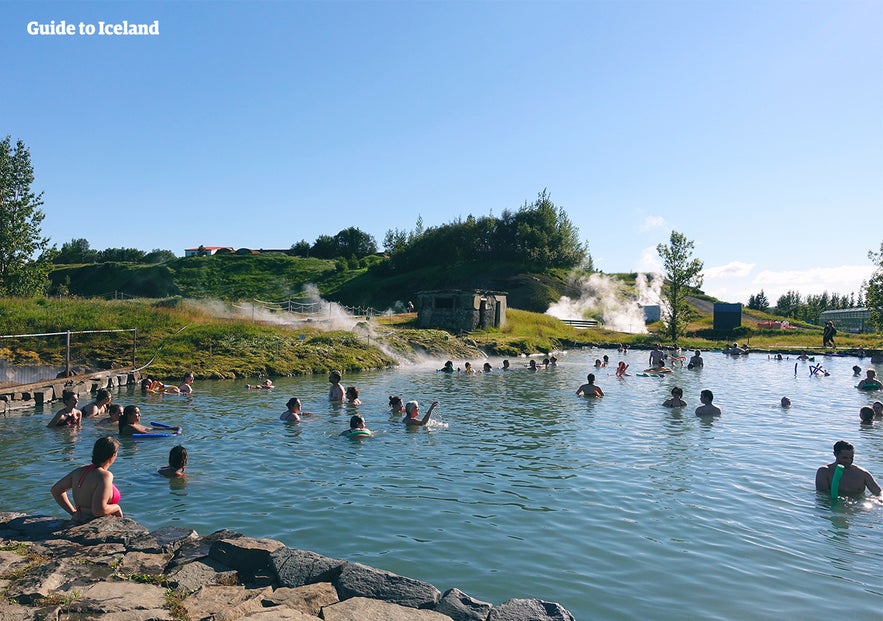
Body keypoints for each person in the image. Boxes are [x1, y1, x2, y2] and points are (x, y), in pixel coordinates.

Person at [51, 435, 122, 522]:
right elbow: (99, 511)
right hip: (94, 525)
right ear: (113, 456)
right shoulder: (105, 476)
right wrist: (116, 507)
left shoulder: (79, 471)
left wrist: (73, 512)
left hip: (77, 520)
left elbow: (55, 490)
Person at [815, 440, 881, 496]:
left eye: (851, 458)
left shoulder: (863, 474)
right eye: (845, 458)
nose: (848, 461)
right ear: (835, 454)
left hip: (857, 508)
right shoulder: (824, 472)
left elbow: (879, 493)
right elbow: (822, 496)